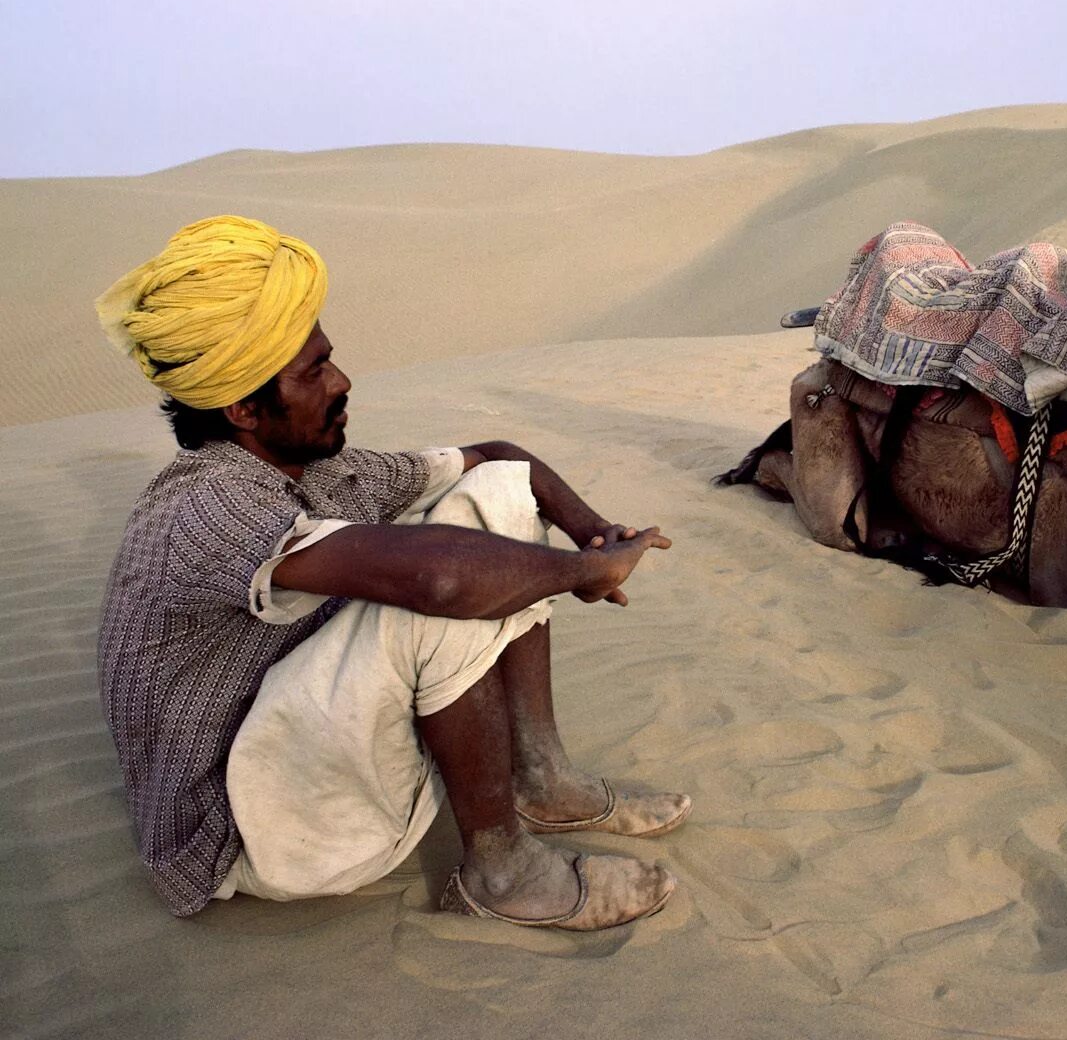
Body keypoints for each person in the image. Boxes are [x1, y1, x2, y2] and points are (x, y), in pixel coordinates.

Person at [94, 215, 686, 931]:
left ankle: (543, 781)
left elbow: (501, 459)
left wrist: (590, 530)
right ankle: (502, 872)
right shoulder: (203, 503)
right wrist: (578, 571)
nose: (341, 381)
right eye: (314, 372)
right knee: (438, 594)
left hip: (305, 759)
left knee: (494, 498)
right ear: (244, 407)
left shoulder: (326, 469)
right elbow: (438, 583)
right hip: (247, 830)